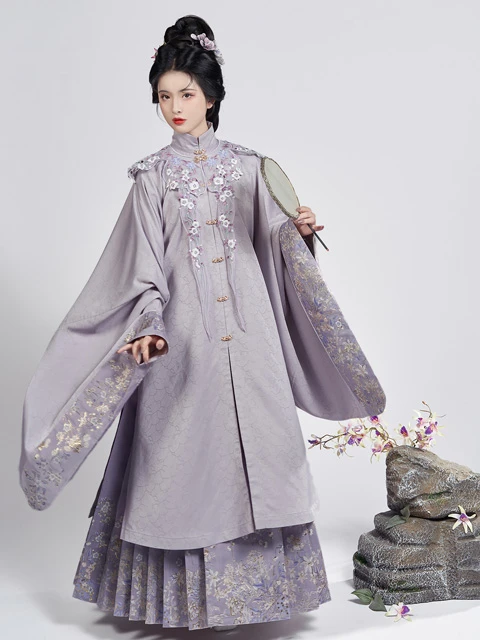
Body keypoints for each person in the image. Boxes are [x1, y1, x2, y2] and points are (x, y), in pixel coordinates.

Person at [19, 14, 386, 632]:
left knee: (264, 456)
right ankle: (186, 604)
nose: (174, 108)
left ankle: (262, 599)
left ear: (211, 96)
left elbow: (273, 246)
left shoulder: (251, 167)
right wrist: (149, 323)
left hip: (252, 341)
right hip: (183, 346)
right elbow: (141, 266)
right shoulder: (151, 178)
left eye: (186, 94)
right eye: (164, 96)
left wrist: (298, 233)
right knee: (183, 465)